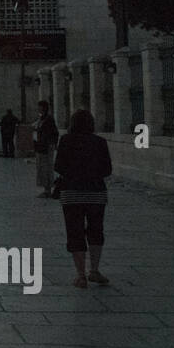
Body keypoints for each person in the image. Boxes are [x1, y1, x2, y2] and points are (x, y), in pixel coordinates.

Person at [53, 109, 113, 288]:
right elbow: (107, 169)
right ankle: (94, 270)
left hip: (72, 193)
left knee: (75, 232)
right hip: (96, 193)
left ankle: (80, 275)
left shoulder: (65, 140)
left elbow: (59, 166)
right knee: (96, 230)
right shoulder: (100, 142)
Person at [34, 100, 59, 197]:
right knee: (42, 168)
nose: (38, 109)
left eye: (40, 107)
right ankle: (46, 189)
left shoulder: (49, 119)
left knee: (47, 168)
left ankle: (48, 190)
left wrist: (53, 144)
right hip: (40, 146)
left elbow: (54, 133)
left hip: (47, 147)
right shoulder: (41, 119)